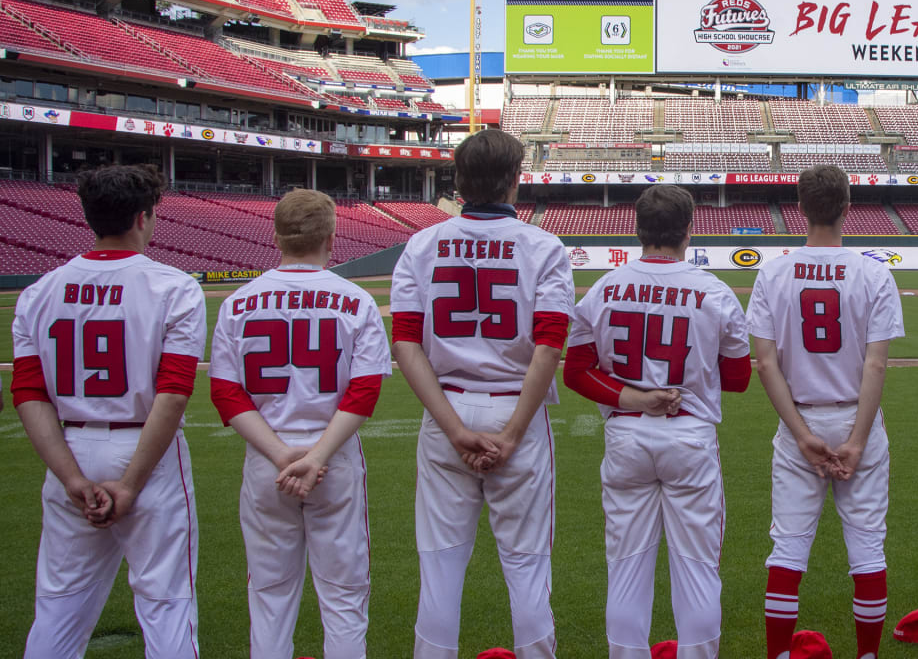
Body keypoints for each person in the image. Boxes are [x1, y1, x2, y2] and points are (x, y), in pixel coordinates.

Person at [390, 130, 574, 659]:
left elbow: (405, 344)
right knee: (527, 564)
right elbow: (548, 347)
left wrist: (453, 429)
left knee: (441, 566)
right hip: (517, 407)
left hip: (448, 407)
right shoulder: (544, 247)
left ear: (457, 182)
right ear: (515, 182)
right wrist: (513, 434)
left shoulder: (422, 244)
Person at [10, 164, 206, 658]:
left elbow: (29, 394)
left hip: (70, 446)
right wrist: (132, 482)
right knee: (166, 605)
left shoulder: (38, 292)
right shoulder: (174, 287)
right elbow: (174, 391)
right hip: (146, 450)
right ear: (143, 217)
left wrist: (72, 478)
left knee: (58, 606)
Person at [563, 184, 752, 659]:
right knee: (697, 569)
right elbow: (737, 378)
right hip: (689, 434)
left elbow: (576, 372)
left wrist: (635, 397)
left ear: (638, 228)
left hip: (627, 434)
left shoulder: (606, 286)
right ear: (689, 229)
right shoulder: (715, 290)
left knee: (626, 569)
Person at [208, 189, 391, 659]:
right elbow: (364, 391)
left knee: (269, 595)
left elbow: (226, 394)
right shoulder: (356, 300)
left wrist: (282, 456)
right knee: (345, 596)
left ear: (276, 237)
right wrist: (316, 458)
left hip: (268, 461)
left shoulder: (238, 303)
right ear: (332, 238)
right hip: (335, 460)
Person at [749, 165, 904, 659]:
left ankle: (778, 655)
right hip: (858, 420)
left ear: (799, 207)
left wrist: (799, 434)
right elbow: (876, 364)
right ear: (848, 208)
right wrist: (857, 439)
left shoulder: (772, 271)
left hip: (802, 421)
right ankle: (867, 655)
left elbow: (766, 364)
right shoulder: (874, 271)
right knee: (867, 548)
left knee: (789, 547)